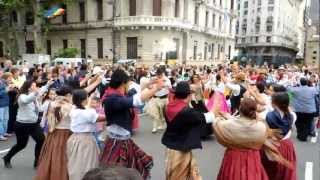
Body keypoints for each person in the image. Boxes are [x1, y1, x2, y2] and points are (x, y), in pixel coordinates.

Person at [100, 69, 164, 180]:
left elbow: (135, 94)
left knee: (128, 171)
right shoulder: (112, 99)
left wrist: (150, 84)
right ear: (122, 83)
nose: (129, 86)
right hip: (117, 143)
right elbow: (135, 100)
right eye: (128, 83)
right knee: (117, 174)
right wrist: (156, 88)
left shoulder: (114, 95)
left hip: (122, 141)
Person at [214, 98, 292, 180]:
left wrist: (219, 116)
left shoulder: (227, 125)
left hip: (233, 157)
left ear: (240, 109)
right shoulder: (261, 127)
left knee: (232, 175)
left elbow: (217, 124)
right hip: (252, 157)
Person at [162, 81, 215, 180]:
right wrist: (215, 109)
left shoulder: (169, 106)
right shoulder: (186, 111)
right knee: (180, 176)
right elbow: (205, 118)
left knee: (183, 174)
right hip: (180, 150)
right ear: (189, 95)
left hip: (172, 146)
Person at [3, 80, 50, 168]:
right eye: (33, 85)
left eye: (36, 85)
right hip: (22, 125)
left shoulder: (34, 97)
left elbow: (39, 107)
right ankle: (7, 157)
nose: (36, 87)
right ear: (28, 87)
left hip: (33, 124)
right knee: (21, 145)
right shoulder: (22, 96)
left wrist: (47, 85)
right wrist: (36, 93)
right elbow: (26, 100)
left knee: (41, 140)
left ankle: (37, 160)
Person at [35, 85, 73, 180]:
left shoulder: (51, 104)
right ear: (68, 95)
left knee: (51, 156)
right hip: (65, 134)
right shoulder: (69, 106)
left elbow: (46, 120)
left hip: (53, 133)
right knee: (62, 157)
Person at [67, 89, 105, 180]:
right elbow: (100, 118)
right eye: (88, 97)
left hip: (74, 138)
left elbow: (86, 108)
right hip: (85, 140)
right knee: (87, 165)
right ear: (84, 100)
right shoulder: (87, 113)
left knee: (75, 164)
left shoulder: (74, 109)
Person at [261, 92, 297, 180]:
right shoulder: (292, 115)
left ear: (274, 104)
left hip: (271, 144)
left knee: (269, 170)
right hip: (286, 145)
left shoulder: (266, 115)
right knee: (285, 171)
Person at [145, 68, 171, 133]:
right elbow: (148, 86)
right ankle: (154, 127)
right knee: (154, 113)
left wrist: (162, 83)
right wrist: (151, 82)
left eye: (160, 75)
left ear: (162, 74)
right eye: (157, 74)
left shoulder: (166, 79)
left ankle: (163, 124)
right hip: (155, 98)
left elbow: (169, 87)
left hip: (164, 99)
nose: (158, 76)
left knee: (163, 114)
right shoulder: (154, 79)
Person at [0, 72, 13, 141]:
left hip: (6, 104)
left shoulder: (6, 83)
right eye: (10, 78)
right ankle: (0, 134)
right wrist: (6, 90)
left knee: (6, 119)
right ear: (6, 78)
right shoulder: (1, 83)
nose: (11, 79)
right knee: (1, 120)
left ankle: (4, 132)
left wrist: (10, 89)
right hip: (1, 105)